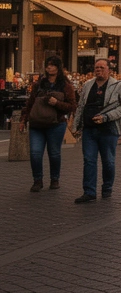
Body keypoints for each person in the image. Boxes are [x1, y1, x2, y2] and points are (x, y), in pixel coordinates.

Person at [71, 58, 121, 203]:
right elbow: (81, 106)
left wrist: (106, 117)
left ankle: (107, 188)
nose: (98, 70)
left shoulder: (118, 86)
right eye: (96, 68)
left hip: (108, 129)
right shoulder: (87, 85)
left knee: (108, 161)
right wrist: (76, 125)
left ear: (109, 70)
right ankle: (89, 191)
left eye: (102, 68)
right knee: (89, 160)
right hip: (89, 129)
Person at [21, 55, 77, 192]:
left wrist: (57, 103)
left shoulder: (65, 85)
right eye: (47, 65)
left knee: (54, 153)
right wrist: (24, 119)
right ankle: (37, 180)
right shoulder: (39, 83)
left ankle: (54, 179)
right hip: (37, 124)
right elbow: (30, 103)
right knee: (35, 153)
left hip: (56, 124)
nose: (49, 67)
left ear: (58, 67)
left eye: (52, 65)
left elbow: (72, 106)